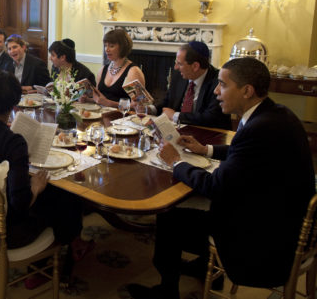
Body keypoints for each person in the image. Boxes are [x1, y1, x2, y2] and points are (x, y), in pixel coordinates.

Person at [127, 57, 315, 299]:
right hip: (286, 216)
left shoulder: (259, 128)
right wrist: (205, 150)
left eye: (223, 85)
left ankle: (167, 291)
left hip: (265, 238)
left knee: (170, 216)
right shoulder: (274, 115)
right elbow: (242, 152)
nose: (216, 91)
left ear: (247, 91)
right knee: (186, 208)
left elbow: (214, 187)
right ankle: (202, 266)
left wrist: (176, 161)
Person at [0, 70, 93, 261]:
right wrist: (35, 188)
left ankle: (72, 244)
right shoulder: (13, 143)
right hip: (8, 233)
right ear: (15, 103)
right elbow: (20, 204)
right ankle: (58, 255)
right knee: (63, 196)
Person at [153, 41, 231, 129]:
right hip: (179, 131)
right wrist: (151, 109)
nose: (176, 67)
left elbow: (211, 118)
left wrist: (175, 116)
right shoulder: (180, 75)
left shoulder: (219, 82)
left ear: (195, 66)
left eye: (180, 64)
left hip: (210, 134)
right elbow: (167, 102)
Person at [92, 29, 145, 107]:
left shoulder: (133, 71)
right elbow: (99, 99)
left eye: (111, 46)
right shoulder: (102, 70)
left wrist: (109, 103)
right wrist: (87, 99)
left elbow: (138, 105)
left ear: (122, 47)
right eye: (105, 45)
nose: (107, 49)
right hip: (102, 114)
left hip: (122, 117)